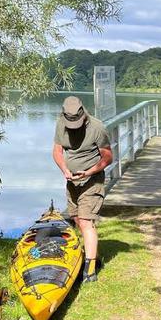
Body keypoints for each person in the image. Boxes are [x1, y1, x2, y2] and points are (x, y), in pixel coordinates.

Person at [52, 96, 113, 283]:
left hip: (92, 181)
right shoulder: (61, 124)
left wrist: (89, 172)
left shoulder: (97, 127)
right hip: (72, 182)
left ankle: (89, 271)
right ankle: (94, 256)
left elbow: (108, 157)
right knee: (78, 220)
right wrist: (65, 170)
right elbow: (57, 151)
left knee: (86, 222)